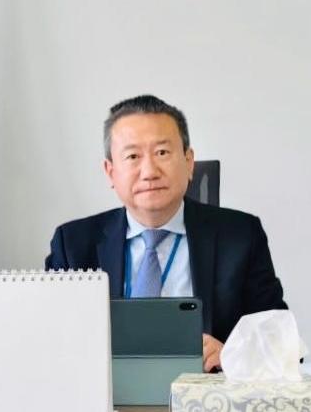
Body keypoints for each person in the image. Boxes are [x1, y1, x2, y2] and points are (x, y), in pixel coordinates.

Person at [45, 95, 287, 372]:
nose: (149, 172)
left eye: (162, 153)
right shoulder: (73, 244)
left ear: (189, 161)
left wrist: (232, 355)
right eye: (133, 156)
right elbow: (51, 340)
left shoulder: (241, 236)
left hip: (203, 390)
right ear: (110, 172)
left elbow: (282, 343)